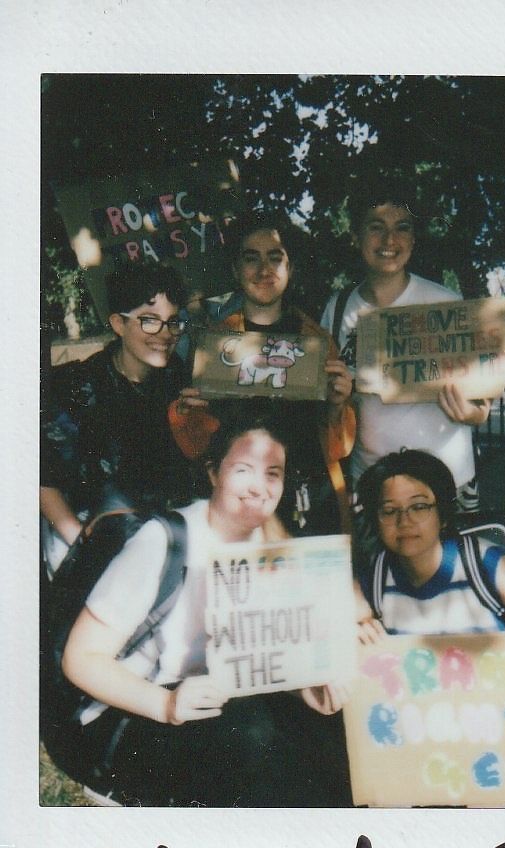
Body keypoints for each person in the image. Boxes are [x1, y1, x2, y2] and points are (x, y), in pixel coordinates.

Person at [61, 412, 353, 807]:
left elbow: (263, 658)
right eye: (243, 470)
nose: (259, 487)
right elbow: (80, 659)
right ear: (214, 473)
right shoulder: (165, 540)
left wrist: (309, 692)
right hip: (139, 710)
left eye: (273, 474)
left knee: (328, 740)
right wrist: (166, 705)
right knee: (253, 737)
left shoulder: (270, 551)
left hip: (221, 700)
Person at [169, 213, 355, 536]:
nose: (264, 270)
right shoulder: (213, 345)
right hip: (242, 503)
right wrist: (188, 414)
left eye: (275, 258)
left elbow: (338, 448)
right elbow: (197, 449)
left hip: (309, 499)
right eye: (251, 258)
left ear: (289, 268)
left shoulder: (316, 342)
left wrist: (338, 405)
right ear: (235, 270)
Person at [320, 184, 492, 511]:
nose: (389, 240)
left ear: (413, 239)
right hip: (371, 486)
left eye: (402, 228)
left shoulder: (446, 303)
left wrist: (473, 414)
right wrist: (335, 399)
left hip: (448, 485)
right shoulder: (338, 309)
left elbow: (482, 403)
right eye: (376, 228)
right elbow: (329, 403)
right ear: (355, 236)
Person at [41, 265, 195, 575]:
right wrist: (84, 548)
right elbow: (44, 480)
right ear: (118, 324)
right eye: (149, 320)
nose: (165, 333)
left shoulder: (178, 380)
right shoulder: (78, 386)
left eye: (173, 321)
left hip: (157, 538)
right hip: (87, 536)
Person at [355, 449, 505, 641]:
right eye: (389, 511)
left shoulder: (483, 564)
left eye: (419, 507)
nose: (404, 521)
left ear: (443, 514)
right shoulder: (376, 576)